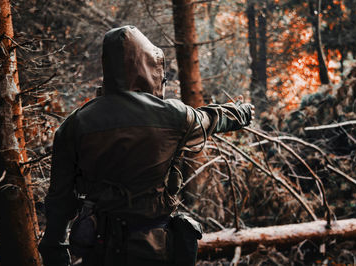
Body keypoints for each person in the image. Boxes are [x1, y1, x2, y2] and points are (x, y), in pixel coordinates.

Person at [38, 25, 254, 266]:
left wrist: (55, 249)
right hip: (154, 248)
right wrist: (241, 113)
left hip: (99, 249)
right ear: (150, 67)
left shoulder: (75, 124)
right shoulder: (173, 115)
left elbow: (59, 199)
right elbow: (211, 119)